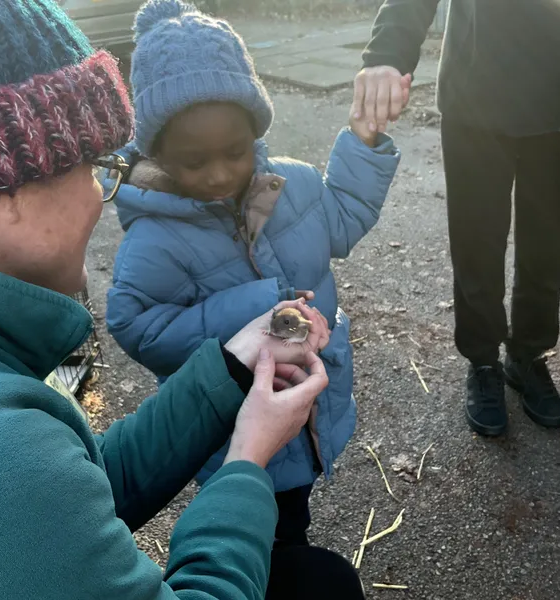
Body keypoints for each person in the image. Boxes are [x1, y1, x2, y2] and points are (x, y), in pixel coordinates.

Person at [0, 1, 367, 598]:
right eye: (95, 165)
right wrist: (247, 460)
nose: (101, 197)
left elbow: (80, 480)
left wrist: (230, 363)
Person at [105, 0, 402, 547]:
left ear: (255, 132)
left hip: (309, 402)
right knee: (261, 528)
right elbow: (135, 325)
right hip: (235, 429)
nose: (219, 174)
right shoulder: (153, 238)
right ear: (159, 150)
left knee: (295, 507)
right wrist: (254, 312)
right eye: (194, 161)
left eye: (235, 151)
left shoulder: (294, 185)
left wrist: (363, 142)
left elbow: (344, 217)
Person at [354, 0, 560, 437]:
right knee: (476, 240)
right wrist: (386, 54)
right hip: (478, 90)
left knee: (546, 246)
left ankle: (527, 355)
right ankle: (482, 359)